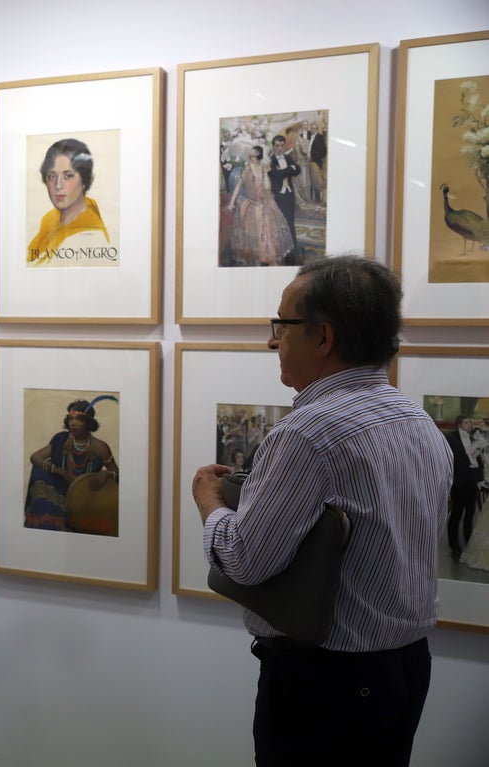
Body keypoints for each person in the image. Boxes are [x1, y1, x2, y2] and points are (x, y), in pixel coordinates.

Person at [191, 255, 452, 766]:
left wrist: (208, 501)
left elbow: (245, 560)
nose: (272, 341)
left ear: (323, 337)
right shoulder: (419, 423)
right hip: (404, 670)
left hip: (326, 685)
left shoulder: (308, 434)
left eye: (282, 326)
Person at [23, 399, 118, 531]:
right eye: (70, 418)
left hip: (86, 497)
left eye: (79, 418)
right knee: (40, 473)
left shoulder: (100, 447)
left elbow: (117, 474)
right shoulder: (61, 439)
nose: (73, 423)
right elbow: (35, 457)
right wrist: (61, 471)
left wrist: (105, 474)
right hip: (60, 491)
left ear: (88, 422)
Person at [26, 138, 110, 265]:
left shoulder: (89, 234)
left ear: (85, 180)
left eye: (68, 176)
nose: (58, 185)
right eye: (52, 176)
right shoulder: (49, 220)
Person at [225, 144, 294, 266]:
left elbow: (267, 188)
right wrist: (231, 202)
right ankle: (257, 257)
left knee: (267, 230)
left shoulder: (263, 169)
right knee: (254, 231)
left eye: (255, 157)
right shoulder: (247, 169)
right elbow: (239, 186)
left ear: (259, 157)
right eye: (251, 157)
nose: (253, 159)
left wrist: (266, 174)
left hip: (264, 203)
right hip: (251, 205)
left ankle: (268, 256)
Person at [446, 414, 486, 557]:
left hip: (472, 480)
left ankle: (469, 543)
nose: (471, 425)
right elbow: (452, 457)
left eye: (471, 422)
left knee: (470, 513)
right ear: (460, 424)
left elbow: (478, 459)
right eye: (468, 422)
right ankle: (454, 545)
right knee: (457, 513)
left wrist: (479, 456)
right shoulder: (451, 437)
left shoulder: (474, 437)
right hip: (459, 481)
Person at [268, 134, 301, 264]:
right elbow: (275, 175)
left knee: (290, 224)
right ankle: (280, 254)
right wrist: (289, 169)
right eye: (277, 146)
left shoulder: (288, 157)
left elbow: (297, 170)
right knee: (280, 225)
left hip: (289, 194)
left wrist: (287, 170)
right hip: (277, 196)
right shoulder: (269, 160)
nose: (279, 148)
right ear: (273, 146)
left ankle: (293, 257)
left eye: (282, 146)